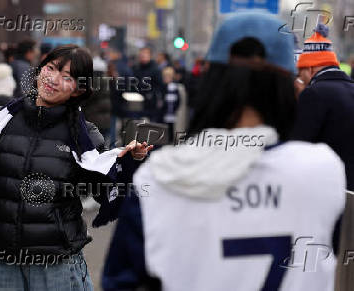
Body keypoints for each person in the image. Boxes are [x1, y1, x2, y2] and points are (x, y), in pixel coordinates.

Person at [102, 12, 345, 291]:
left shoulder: (159, 178)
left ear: (211, 81)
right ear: (288, 87)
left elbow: (121, 283)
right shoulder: (322, 171)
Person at [0, 44, 152, 291]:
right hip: (5, 261)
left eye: (66, 77)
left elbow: (104, 192)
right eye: (51, 68)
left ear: (78, 90)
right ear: (40, 69)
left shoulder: (84, 138)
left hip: (56, 265)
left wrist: (127, 161)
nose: (53, 79)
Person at [291, 24, 354, 291]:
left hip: (329, 196)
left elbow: (298, 148)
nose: (299, 77)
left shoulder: (314, 94)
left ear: (311, 68)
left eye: (301, 72)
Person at [132, 47, 163, 122]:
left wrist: (151, 94)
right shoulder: (136, 68)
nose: (143, 56)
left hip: (151, 104)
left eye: (145, 54)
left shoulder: (155, 69)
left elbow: (159, 86)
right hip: (138, 103)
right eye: (141, 55)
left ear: (150, 56)